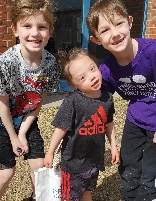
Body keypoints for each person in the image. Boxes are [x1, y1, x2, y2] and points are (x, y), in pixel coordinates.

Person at [86, 0, 156, 201]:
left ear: (130, 22)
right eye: (105, 30)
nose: (115, 34)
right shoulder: (107, 70)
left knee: (152, 177)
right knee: (129, 169)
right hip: (136, 120)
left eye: (119, 23)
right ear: (96, 39)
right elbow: (98, 100)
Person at [0, 0, 61, 201]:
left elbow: (39, 100)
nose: (35, 33)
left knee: (39, 168)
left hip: (26, 116)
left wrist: (23, 131)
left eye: (42, 27)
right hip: (1, 119)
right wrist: (13, 137)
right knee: (6, 172)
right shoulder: (6, 62)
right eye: (27, 26)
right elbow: (2, 106)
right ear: (15, 30)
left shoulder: (51, 64)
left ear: (50, 31)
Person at [44, 48, 119, 201]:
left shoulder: (107, 99)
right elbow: (61, 128)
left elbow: (109, 124)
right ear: (72, 84)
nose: (92, 77)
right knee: (70, 197)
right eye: (82, 77)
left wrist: (114, 147)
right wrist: (50, 152)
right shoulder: (72, 101)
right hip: (72, 163)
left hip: (93, 161)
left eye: (92, 69)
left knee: (87, 192)